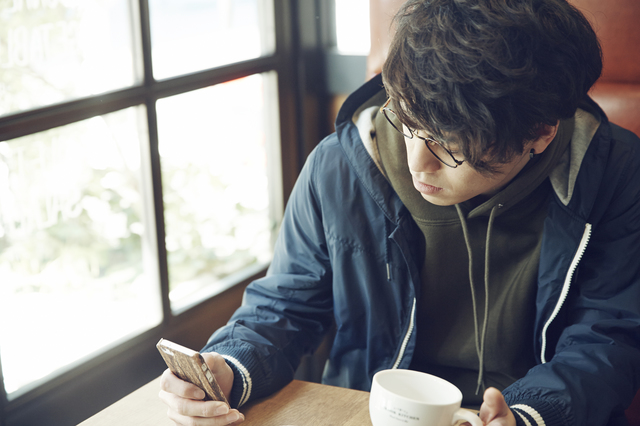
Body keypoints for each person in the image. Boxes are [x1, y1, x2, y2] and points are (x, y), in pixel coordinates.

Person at [159, 0, 640, 425]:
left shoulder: (613, 173)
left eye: (449, 148)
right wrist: (228, 367)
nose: (417, 162)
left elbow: (608, 341)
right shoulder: (342, 164)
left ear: (540, 134)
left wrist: (530, 413)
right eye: (406, 121)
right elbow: (285, 305)